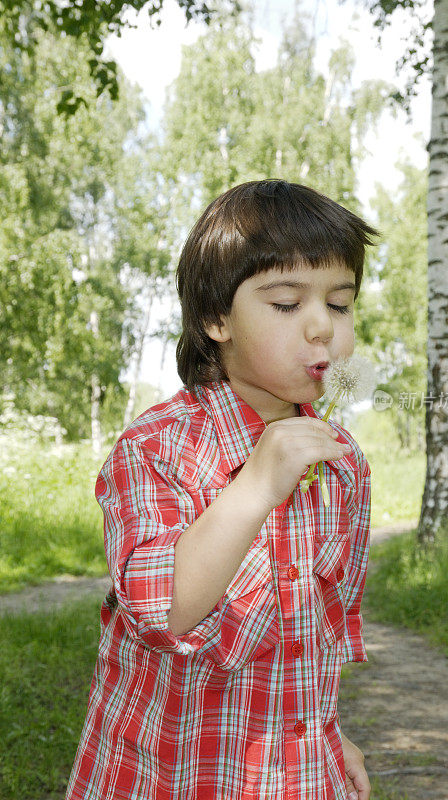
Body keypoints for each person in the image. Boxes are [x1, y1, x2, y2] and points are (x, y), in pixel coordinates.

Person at [66, 179, 377, 800]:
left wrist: (326, 732)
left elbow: (312, 635)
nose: (321, 327)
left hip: (293, 771)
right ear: (216, 318)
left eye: (339, 304)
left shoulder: (343, 464)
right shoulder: (159, 449)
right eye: (287, 303)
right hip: (170, 769)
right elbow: (163, 609)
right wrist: (255, 486)